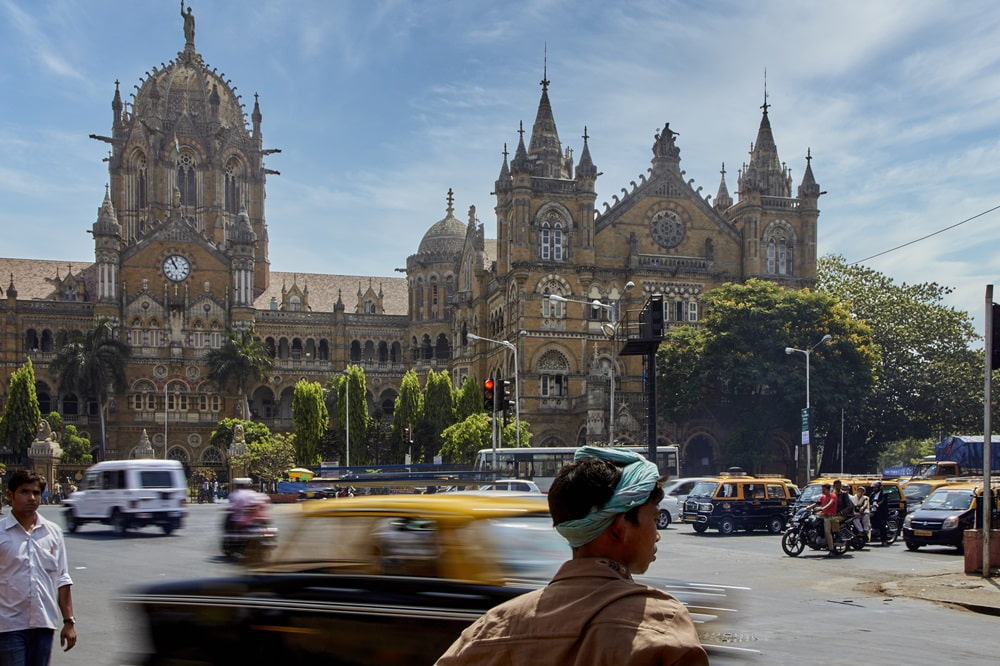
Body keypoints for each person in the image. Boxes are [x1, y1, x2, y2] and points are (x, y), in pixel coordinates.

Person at [436, 446, 708, 665]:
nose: (657, 533)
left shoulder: (492, 629)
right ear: (620, 527)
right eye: (654, 518)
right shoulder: (662, 626)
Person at [0, 470, 77, 664]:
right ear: (10, 495)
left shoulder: (53, 532)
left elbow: (62, 578)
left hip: (44, 624)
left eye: (36, 493)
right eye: (24, 492)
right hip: (8, 627)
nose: (31, 498)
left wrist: (69, 622)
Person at [869, 480, 890, 546]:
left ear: (880, 487)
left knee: (882, 526)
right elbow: (868, 501)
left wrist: (877, 505)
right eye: (873, 488)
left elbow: (883, 501)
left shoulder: (884, 494)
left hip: (881, 512)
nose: (874, 489)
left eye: (875, 487)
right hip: (872, 511)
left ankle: (884, 540)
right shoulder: (872, 494)